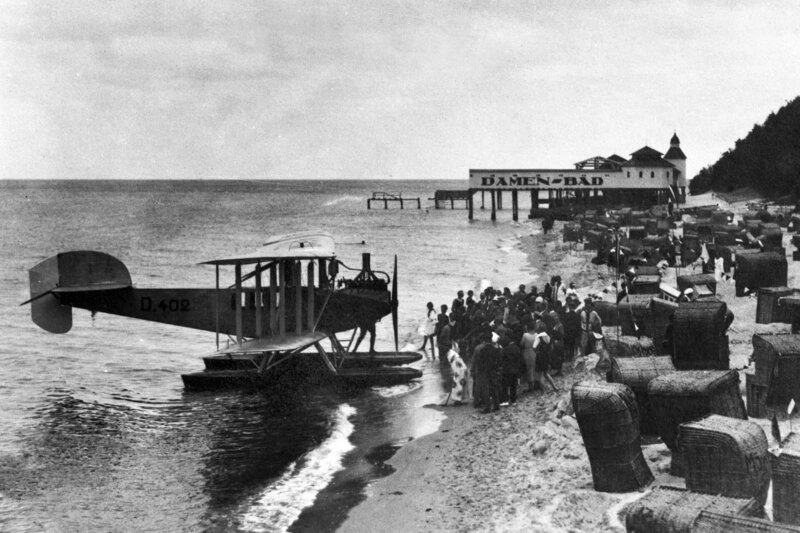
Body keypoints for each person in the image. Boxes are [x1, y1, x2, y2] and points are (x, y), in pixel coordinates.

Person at [472, 330, 501, 413]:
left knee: (485, 389)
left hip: (482, 371)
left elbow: (475, 361)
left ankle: (487, 407)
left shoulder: (478, 348)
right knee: (494, 387)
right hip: (492, 370)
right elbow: (498, 359)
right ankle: (496, 405)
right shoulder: (494, 347)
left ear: (482, 339)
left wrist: (473, 371)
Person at [532, 321, 558, 392]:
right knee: (546, 373)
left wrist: (536, 352)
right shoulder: (548, 336)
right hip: (547, 355)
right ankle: (554, 387)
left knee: (540, 375)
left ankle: (543, 391)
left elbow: (534, 347)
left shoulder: (538, 337)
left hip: (540, 356)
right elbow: (552, 347)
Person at [500, 336, 523, 405]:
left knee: (505, 386)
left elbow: (501, 359)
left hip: (506, 370)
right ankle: (513, 401)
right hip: (515, 369)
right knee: (513, 385)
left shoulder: (504, 350)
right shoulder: (516, 348)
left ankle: (505, 400)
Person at [520, 321, 538, 392]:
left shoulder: (525, 335)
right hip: (535, 351)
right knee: (535, 367)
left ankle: (530, 385)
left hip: (527, 352)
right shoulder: (537, 335)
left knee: (528, 369)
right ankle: (536, 383)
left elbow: (521, 344)